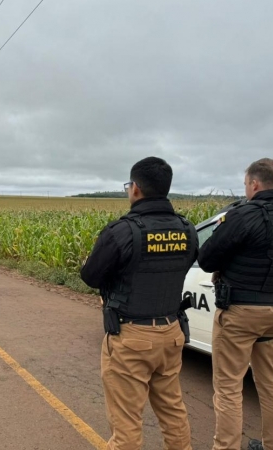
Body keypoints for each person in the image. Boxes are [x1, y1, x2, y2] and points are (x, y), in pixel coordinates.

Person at [81, 156, 197, 450]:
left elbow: (91, 276)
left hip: (131, 337)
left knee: (126, 424)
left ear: (135, 189)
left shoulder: (122, 231)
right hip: (171, 334)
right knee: (173, 413)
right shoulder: (188, 229)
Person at [197, 158, 273, 450]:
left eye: (246, 183)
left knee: (228, 388)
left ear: (254, 184)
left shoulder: (244, 216)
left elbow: (207, 258)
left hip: (240, 313)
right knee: (271, 382)